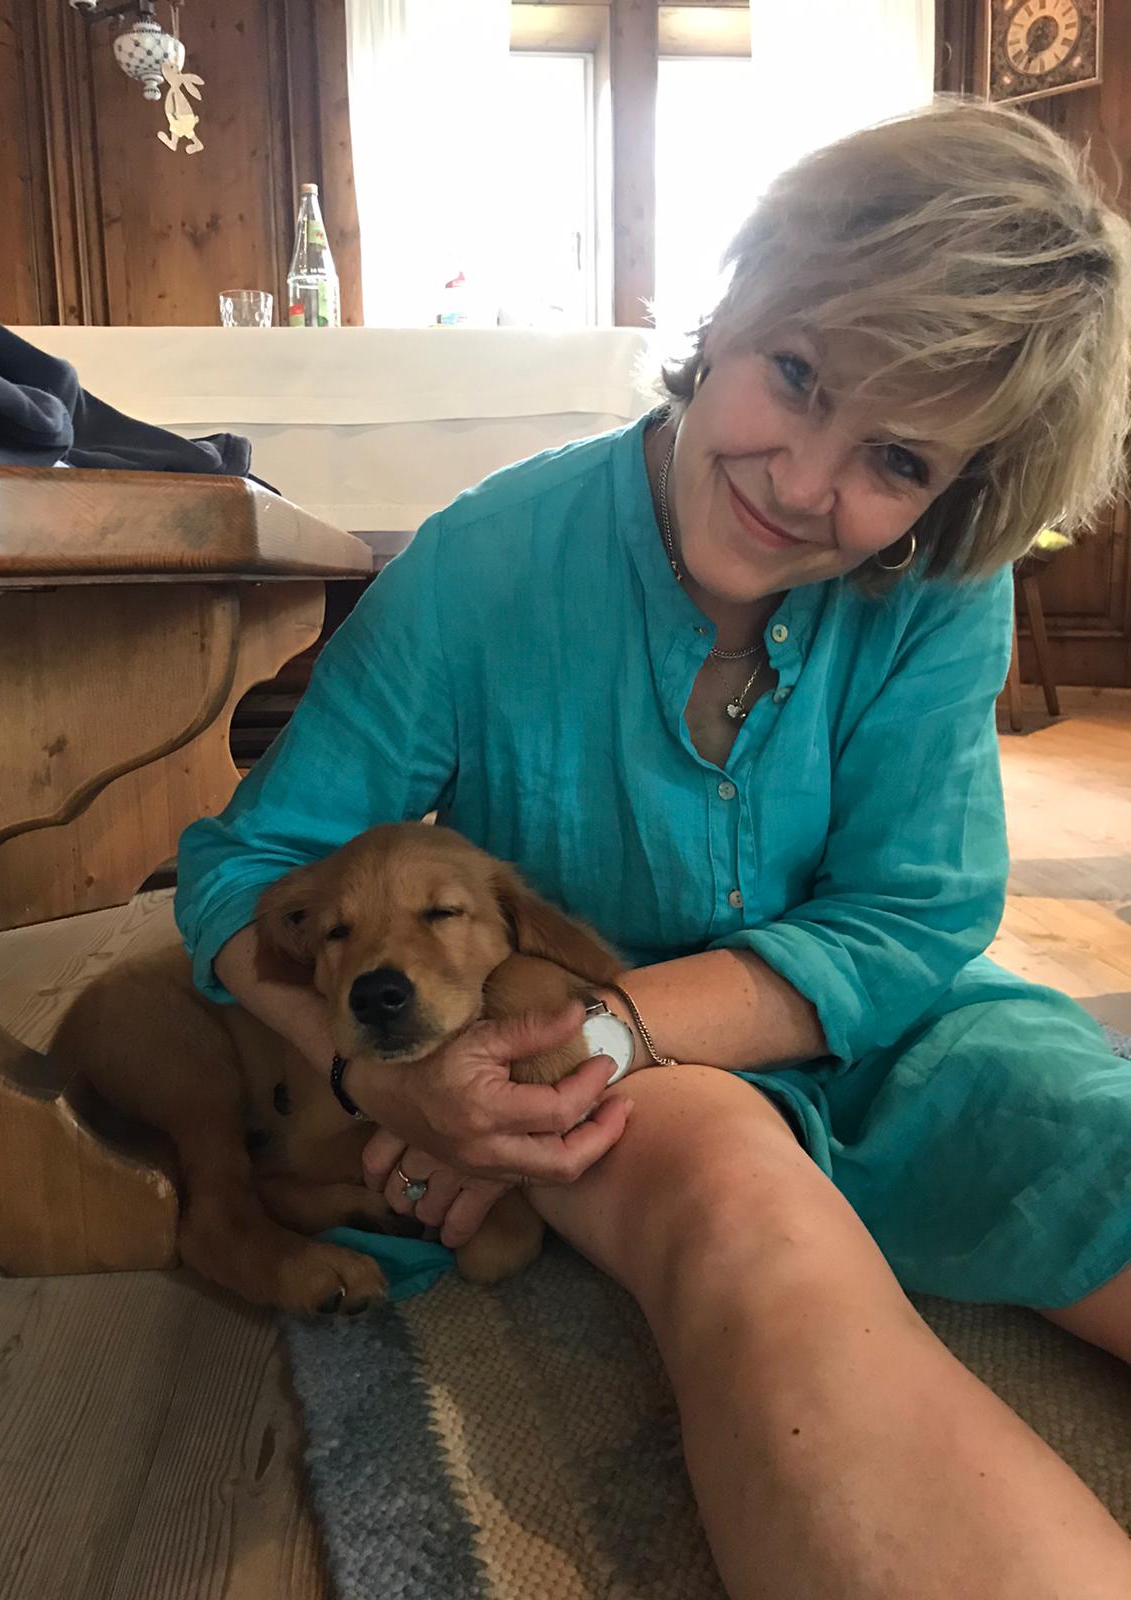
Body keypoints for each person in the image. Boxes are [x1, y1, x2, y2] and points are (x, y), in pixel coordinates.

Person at [175, 98, 1131, 1597]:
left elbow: (911, 916)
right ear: (733, 298)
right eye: (796, 375)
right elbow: (245, 870)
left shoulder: (943, 589)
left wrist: (624, 1023)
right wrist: (384, 1075)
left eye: (895, 458)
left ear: (959, 492)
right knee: (751, 1230)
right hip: (588, 1073)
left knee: (1089, 1133)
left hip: (877, 1024)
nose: (803, 484)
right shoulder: (488, 560)